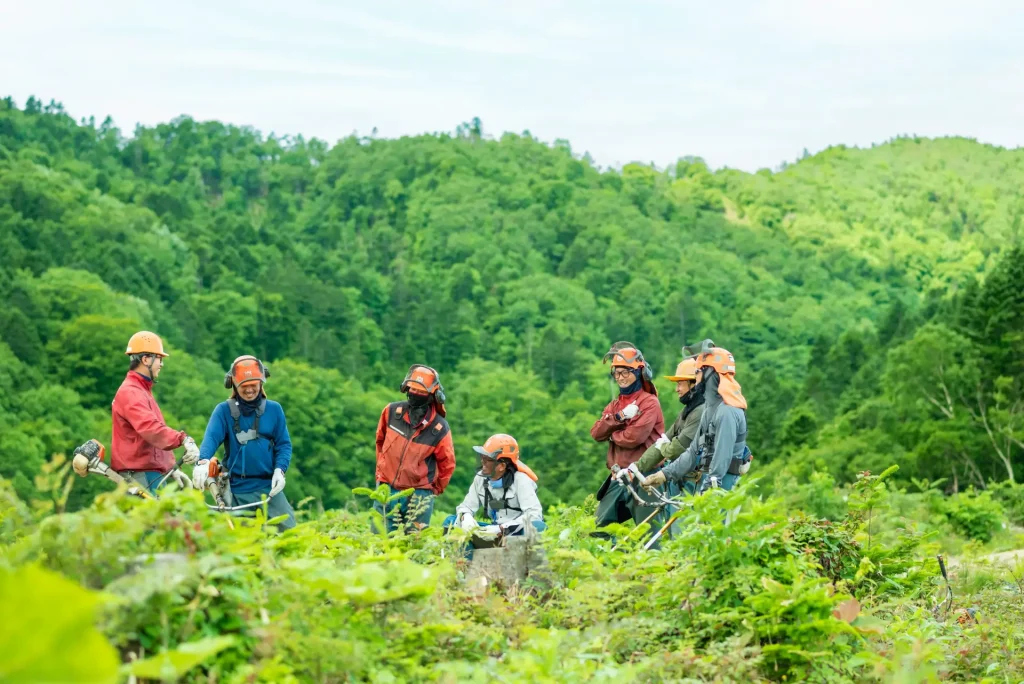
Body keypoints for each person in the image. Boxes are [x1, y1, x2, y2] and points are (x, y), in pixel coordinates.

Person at [192, 355, 296, 531]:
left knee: (291, 533)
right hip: (237, 490)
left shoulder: (274, 410)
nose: (249, 390)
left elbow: (284, 445)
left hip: (269, 489)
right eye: (244, 386)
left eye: (253, 385)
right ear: (234, 385)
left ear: (261, 383)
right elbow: (211, 439)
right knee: (241, 541)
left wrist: (280, 470)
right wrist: (202, 461)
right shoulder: (224, 411)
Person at [640, 340, 751, 495]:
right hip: (711, 482)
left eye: (698, 371)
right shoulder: (710, 410)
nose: (695, 376)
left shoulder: (727, 412)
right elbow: (693, 452)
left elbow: (721, 458)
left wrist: (708, 490)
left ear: (709, 373)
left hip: (723, 487)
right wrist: (664, 474)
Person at [590, 342, 665, 531]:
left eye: (625, 372)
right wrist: (620, 417)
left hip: (645, 474)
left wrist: (612, 435)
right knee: (599, 528)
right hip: (619, 476)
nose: (620, 378)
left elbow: (634, 438)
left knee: (648, 531)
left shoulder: (649, 402)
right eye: (617, 373)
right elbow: (596, 433)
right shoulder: (615, 406)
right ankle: (616, 560)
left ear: (639, 372)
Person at [111, 331, 198, 493]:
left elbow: (153, 440)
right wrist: (183, 439)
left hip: (149, 475)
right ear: (146, 359)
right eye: (159, 358)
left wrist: (171, 467)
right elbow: (151, 429)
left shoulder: (141, 391)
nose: (161, 364)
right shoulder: (131, 392)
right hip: (140, 477)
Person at [374, 365, 456, 533]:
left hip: (420, 494)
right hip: (387, 488)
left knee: (415, 544)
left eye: (421, 392)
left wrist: (433, 490)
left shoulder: (439, 428)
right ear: (406, 389)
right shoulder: (391, 412)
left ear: (433, 395)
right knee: (379, 542)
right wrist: (381, 474)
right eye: (413, 390)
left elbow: (447, 464)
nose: (415, 394)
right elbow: (380, 442)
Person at [444, 434, 545, 547]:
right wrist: (465, 516)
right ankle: (464, 562)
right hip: (491, 532)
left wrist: (502, 528)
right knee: (450, 522)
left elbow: (534, 514)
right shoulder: (480, 478)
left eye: (488, 459)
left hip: (515, 533)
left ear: (501, 465)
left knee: (537, 526)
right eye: (482, 457)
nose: (483, 462)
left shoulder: (521, 481)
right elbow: (466, 506)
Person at [632, 355, 706, 477]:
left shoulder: (700, 411)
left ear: (694, 384)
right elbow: (665, 439)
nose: (677, 389)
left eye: (680, 384)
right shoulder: (688, 410)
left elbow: (675, 450)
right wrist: (636, 467)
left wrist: (664, 446)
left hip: (699, 481)